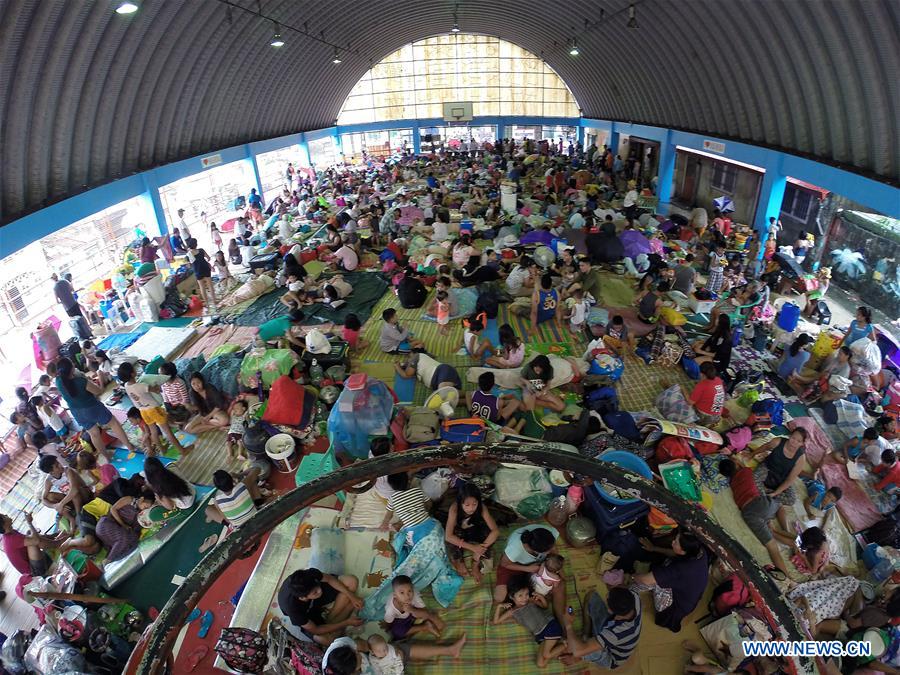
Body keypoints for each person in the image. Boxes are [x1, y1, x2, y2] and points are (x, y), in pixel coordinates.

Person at [718, 457, 790, 574]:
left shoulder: (732, 483)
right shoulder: (746, 471)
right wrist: (736, 459)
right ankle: (787, 531)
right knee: (780, 505)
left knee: (772, 548)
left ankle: (786, 577)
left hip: (748, 513)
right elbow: (742, 463)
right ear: (735, 465)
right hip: (759, 504)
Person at [55, 357, 134, 456]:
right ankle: (130, 447)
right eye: (72, 363)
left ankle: (106, 457)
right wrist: (100, 379)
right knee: (113, 423)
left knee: (94, 434)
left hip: (76, 412)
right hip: (92, 407)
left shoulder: (58, 381)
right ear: (71, 368)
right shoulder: (81, 381)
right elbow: (99, 391)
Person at [632, 531, 708, 632]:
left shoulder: (680, 570)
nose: (672, 542)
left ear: (682, 551)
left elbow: (646, 580)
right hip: (688, 595)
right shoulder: (699, 551)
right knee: (659, 571)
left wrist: (631, 576)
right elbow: (675, 553)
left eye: (676, 542)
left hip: (675, 606)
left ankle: (629, 592)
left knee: (647, 582)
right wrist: (653, 548)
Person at [492, 576, 567, 668]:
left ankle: (566, 643)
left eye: (527, 594)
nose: (524, 598)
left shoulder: (530, 601)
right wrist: (499, 607)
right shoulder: (512, 611)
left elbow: (545, 606)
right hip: (540, 635)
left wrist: (541, 597)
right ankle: (557, 645)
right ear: (512, 596)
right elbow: (496, 621)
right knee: (541, 664)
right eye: (520, 595)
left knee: (547, 655)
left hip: (549, 626)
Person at [561, 587, 642, 669]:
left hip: (610, 656)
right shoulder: (634, 597)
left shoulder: (615, 633)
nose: (606, 595)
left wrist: (568, 624)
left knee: (573, 649)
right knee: (591, 596)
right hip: (612, 629)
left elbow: (577, 651)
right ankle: (586, 636)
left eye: (607, 598)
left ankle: (581, 656)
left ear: (610, 611)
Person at [277, 568, 364, 644]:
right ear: (302, 597)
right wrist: (346, 623)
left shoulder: (308, 576)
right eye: (315, 592)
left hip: (316, 600)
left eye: (318, 585)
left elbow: (330, 579)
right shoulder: (294, 610)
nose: (320, 590)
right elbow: (315, 629)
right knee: (327, 640)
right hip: (308, 614)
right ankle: (348, 609)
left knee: (352, 581)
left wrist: (351, 596)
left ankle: (331, 616)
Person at [748, 427, 808, 535]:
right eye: (793, 438)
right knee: (753, 479)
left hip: (782, 478)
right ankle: (769, 498)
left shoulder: (801, 458)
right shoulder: (778, 441)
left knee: (791, 499)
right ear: (790, 436)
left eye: (798, 441)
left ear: (802, 444)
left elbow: (790, 479)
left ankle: (769, 495)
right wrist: (751, 454)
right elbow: (765, 447)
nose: (794, 442)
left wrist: (777, 492)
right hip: (768, 468)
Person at [118, 362, 186, 456]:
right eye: (133, 369)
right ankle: (182, 450)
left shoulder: (126, 386)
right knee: (167, 431)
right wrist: (157, 386)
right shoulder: (141, 386)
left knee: (153, 431)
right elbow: (156, 390)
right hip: (153, 410)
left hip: (143, 411)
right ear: (132, 373)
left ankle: (162, 449)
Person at [444, 482, 500, 584]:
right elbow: (448, 536)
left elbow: (495, 531)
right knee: (451, 541)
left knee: (489, 535)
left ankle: (475, 564)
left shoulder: (481, 508)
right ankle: (459, 561)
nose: (471, 508)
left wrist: (478, 553)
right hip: (460, 533)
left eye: (474, 504)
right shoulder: (454, 509)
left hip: (474, 530)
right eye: (467, 505)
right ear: (461, 503)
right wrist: (473, 547)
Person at [493, 525, 558, 607]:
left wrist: (555, 568)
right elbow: (504, 563)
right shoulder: (515, 548)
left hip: (534, 566)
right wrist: (527, 569)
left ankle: (561, 615)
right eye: (547, 551)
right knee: (499, 597)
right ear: (535, 550)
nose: (549, 552)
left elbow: (554, 550)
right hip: (513, 565)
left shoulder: (547, 533)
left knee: (556, 581)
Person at [0, 512, 63, 580]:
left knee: (30, 534)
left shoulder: (10, 533)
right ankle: (58, 543)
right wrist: (29, 523)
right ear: (4, 524)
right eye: (4, 516)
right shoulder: (11, 539)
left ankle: (54, 537)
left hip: (34, 563)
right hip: (35, 573)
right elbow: (36, 540)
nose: (6, 515)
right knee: (33, 541)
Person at [384, 575, 445, 640]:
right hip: (400, 618)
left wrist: (412, 610)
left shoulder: (414, 594)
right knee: (397, 633)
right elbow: (388, 622)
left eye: (409, 591)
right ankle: (425, 626)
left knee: (440, 625)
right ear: (395, 595)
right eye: (402, 593)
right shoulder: (390, 608)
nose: (407, 596)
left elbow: (423, 610)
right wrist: (387, 627)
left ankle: (429, 621)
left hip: (412, 612)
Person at [683, 362, 726, 427]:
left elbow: (690, 402)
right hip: (717, 415)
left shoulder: (702, 385)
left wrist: (683, 390)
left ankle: (695, 423)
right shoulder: (718, 380)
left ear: (702, 374)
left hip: (705, 417)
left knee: (681, 400)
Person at [393, 352, 461, 391]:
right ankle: (468, 396)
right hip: (442, 376)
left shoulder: (415, 357)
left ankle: (468, 397)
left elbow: (406, 375)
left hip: (441, 371)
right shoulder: (422, 358)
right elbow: (433, 356)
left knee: (443, 396)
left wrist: (397, 366)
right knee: (447, 400)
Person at [158, 362, 194, 428]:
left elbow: (185, 398)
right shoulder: (163, 384)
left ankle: (182, 422)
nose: (159, 376)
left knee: (185, 412)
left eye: (160, 375)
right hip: (172, 406)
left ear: (168, 376)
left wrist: (180, 406)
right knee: (163, 419)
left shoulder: (179, 383)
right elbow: (165, 397)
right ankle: (179, 424)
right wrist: (168, 408)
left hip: (181, 405)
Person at [188, 239, 216, 311]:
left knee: (202, 287)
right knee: (210, 285)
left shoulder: (189, 253)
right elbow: (208, 258)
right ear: (196, 244)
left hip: (198, 270)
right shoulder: (201, 250)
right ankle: (214, 301)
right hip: (205, 268)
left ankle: (207, 303)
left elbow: (190, 265)